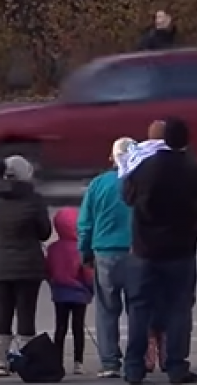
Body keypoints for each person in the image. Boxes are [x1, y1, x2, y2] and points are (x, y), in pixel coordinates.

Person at [121, 118, 197, 385]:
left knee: (139, 308)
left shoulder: (144, 167)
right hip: (180, 248)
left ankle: (134, 367)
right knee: (179, 308)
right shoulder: (193, 169)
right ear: (186, 140)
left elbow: (127, 197)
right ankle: (176, 366)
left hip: (144, 249)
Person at [0, 155, 52, 377]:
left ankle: (0, 361)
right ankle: (25, 359)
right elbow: (44, 231)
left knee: (2, 312)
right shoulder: (34, 199)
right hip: (29, 264)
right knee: (26, 314)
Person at [78, 138, 136, 379]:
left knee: (107, 310)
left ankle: (110, 361)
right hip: (137, 254)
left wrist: (85, 252)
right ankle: (136, 360)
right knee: (138, 310)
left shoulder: (98, 184)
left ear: (112, 157)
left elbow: (85, 223)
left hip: (105, 253)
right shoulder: (140, 184)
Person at [47, 206, 93, 375]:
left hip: (60, 293)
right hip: (80, 294)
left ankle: (57, 360)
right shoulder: (81, 248)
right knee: (78, 327)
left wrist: (52, 283)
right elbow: (87, 273)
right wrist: (90, 290)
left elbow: (48, 270)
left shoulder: (53, 248)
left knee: (60, 327)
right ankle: (78, 362)